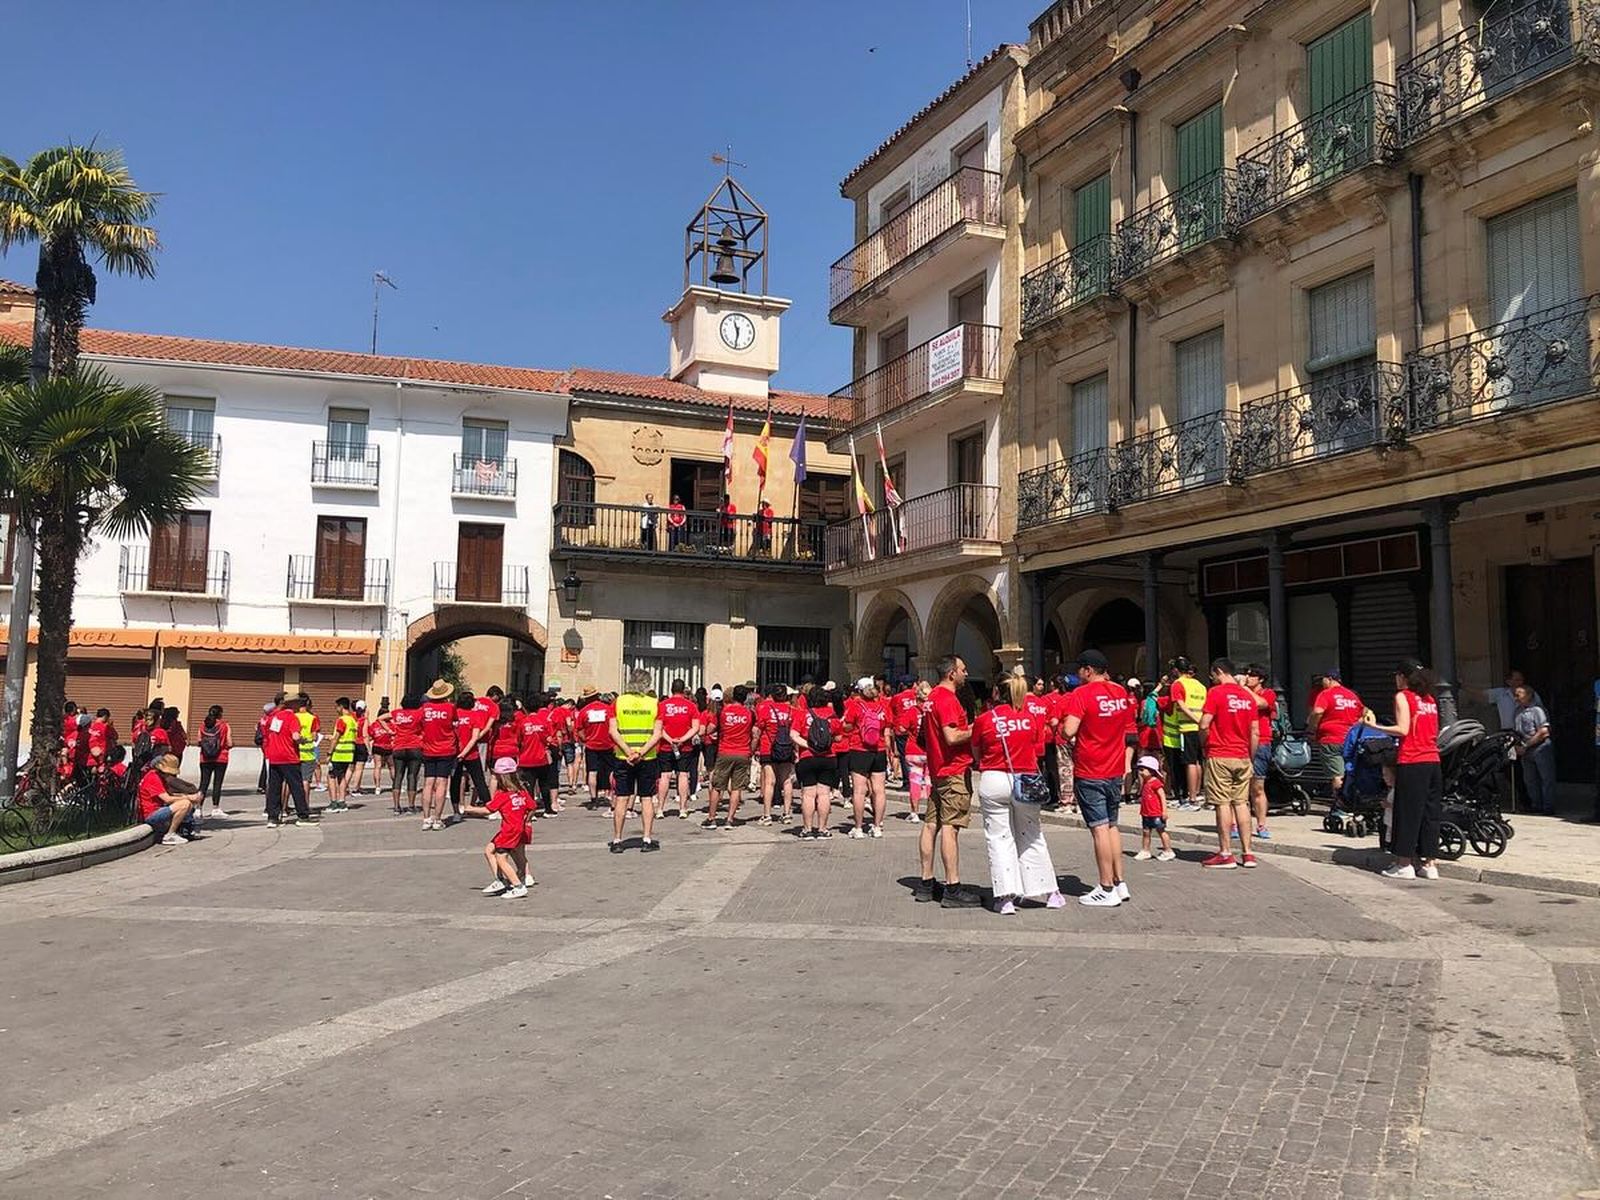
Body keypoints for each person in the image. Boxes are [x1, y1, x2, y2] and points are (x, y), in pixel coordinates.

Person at [972, 674, 1064, 915]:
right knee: (1032, 835)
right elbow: (1037, 747)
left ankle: (1005, 897)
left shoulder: (984, 719)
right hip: (1026, 778)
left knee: (999, 838)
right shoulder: (1029, 718)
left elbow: (977, 753)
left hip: (994, 779)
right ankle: (1050, 891)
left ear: (996, 692)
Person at [1060, 649, 1136, 907]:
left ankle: (1105, 887)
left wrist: (1061, 729)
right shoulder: (1120, 692)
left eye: (1079, 669)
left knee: (1099, 828)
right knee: (1112, 826)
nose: (1077, 674)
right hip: (1114, 768)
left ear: (1088, 670)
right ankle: (1119, 881)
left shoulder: (1081, 694)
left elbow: (1069, 730)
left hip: (1091, 768)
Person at [916, 655, 979, 908]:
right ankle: (953, 887)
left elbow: (925, 736)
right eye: (963, 669)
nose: (966, 673)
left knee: (931, 824)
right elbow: (952, 736)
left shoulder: (931, 698)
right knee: (950, 828)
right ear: (952, 673)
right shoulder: (948, 699)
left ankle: (926, 882)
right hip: (953, 770)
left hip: (938, 770)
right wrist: (977, 727)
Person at [1375, 661, 1443, 879]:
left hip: (1412, 759)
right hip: (1433, 760)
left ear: (1403, 677)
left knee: (1407, 813)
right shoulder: (1430, 699)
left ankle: (1404, 864)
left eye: (1397, 675)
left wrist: (1373, 726)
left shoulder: (1403, 696)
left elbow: (1402, 729)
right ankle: (1429, 864)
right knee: (1430, 814)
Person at [1198, 658, 1261, 870]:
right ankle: (1248, 853)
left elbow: (1204, 724)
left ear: (1218, 671)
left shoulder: (1216, 693)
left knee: (1222, 803)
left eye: (1212, 675)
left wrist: (1204, 744)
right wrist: (1250, 755)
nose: (1212, 679)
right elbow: (1255, 732)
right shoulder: (1247, 696)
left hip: (1220, 753)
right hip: (1242, 755)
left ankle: (1225, 853)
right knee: (1241, 803)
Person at [608, 669, 663, 852]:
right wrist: (641, 752)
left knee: (622, 798)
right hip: (647, 757)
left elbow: (613, 731)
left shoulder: (618, 702)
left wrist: (628, 751)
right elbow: (657, 734)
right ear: (647, 684)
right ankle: (646, 839)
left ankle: (617, 840)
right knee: (647, 798)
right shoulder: (654, 703)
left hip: (623, 757)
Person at [465, 757, 534, 898]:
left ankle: (518, 886)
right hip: (516, 829)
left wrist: (470, 809)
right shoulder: (522, 792)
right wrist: (526, 819)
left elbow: (488, 810)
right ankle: (500, 880)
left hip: (509, 831)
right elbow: (532, 806)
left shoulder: (502, 795)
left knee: (501, 858)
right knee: (489, 850)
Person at [841, 677, 891, 838]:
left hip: (859, 749)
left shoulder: (855, 706)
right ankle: (877, 827)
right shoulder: (883, 707)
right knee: (879, 790)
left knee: (859, 790)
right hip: (879, 750)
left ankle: (858, 828)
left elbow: (847, 726)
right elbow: (887, 727)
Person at [1307, 670, 1363, 802]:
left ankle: (1341, 804)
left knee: (1337, 775)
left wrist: (1312, 727)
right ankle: (1352, 802)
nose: (1322, 682)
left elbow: (1317, 712)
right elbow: (1362, 716)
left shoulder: (1326, 694)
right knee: (1350, 772)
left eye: (1323, 679)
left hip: (1331, 739)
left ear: (1329, 679)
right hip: (1351, 739)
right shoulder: (1351, 695)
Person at [704, 685, 755, 827]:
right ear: (745, 698)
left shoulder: (723, 712)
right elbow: (755, 733)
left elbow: (710, 729)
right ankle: (730, 819)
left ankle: (711, 818)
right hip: (743, 752)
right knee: (736, 788)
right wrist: (751, 750)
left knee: (717, 786)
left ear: (732, 697)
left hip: (725, 751)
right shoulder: (750, 713)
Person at [796, 684, 841, 838]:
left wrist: (809, 745)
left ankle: (807, 829)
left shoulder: (803, 714)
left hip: (807, 757)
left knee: (808, 794)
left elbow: (793, 735)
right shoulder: (832, 716)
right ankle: (823, 829)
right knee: (824, 794)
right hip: (828, 757)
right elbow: (838, 737)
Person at [263, 695, 313, 827]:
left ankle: (273, 818)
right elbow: (295, 736)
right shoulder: (292, 717)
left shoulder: (274, 716)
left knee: (274, 788)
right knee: (296, 787)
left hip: (274, 756)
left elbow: (268, 735)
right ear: (293, 704)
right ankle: (303, 816)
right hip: (289, 756)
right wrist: (303, 740)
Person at [1240, 664, 1277, 840]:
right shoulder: (1241, 693)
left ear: (1260, 679)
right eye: (1246, 674)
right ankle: (1237, 823)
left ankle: (1261, 824)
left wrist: (1244, 688)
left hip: (1261, 741)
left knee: (1258, 786)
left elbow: (1260, 703)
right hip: (1241, 741)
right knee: (1240, 787)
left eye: (1252, 675)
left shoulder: (1268, 693)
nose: (1247, 677)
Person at [1164, 657, 1207, 811]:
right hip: (1200, 727)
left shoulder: (1178, 684)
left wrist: (1195, 719)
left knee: (1189, 762)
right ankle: (1197, 793)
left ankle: (1191, 798)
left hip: (1187, 726)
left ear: (1176, 670)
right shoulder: (1200, 685)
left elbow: (1181, 705)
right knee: (1198, 761)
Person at [656, 679, 701, 820]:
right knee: (683, 775)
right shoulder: (691, 706)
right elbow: (696, 727)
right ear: (683, 691)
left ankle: (660, 809)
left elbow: (658, 728)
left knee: (665, 776)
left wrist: (670, 739)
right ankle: (682, 808)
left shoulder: (662, 706)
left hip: (666, 745)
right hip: (685, 747)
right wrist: (682, 739)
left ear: (671, 689)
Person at [418, 679, 459, 830]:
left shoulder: (424, 708)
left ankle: (426, 818)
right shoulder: (450, 707)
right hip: (446, 748)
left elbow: (419, 726)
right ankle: (437, 819)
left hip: (428, 748)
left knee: (428, 783)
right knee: (442, 783)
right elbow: (455, 724)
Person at [1512, 684, 1558, 815]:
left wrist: (1526, 745)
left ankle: (1548, 807)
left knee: (1546, 777)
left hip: (1540, 747)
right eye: (1515, 695)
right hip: (1525, 749)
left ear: (1528, 695)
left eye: (1519, 694)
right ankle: (1536, 805)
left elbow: (1544, 731)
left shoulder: (1537, 710)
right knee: (1530, 779)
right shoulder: (1517, 711)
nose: (1516, 697)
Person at [137, 753, 197, 846]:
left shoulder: (159, 777)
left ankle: (184, 829)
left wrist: (185, 796)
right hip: (152, 814)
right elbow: (167, 799)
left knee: (187, 803)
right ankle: (170, 835)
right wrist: (188, 797)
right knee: (185, 804)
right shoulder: (153, 777)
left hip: (159, 810)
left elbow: (169, 795)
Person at [451, 688, 492, 818]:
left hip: (454, 753)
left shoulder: (454, 715)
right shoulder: (475, 716)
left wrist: (459, 753)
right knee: (479, 781)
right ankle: (489, 809)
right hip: (471, 753)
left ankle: (456, 811)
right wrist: (464, 753)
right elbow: (475, 738)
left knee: (455, 782)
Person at [384, 694, 424, 815]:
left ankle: (396, 806)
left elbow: (380, 718)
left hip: (399, 746)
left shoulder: (397, 713)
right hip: (414, 746)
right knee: (412, 776)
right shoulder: (419, 713)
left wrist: (390, 731)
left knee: (398, 775)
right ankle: (411, 806)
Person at [576, 685, 615, 808]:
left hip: (591, 745)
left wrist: (586, 739)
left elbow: (579, 730)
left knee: (592, 772)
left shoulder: (584, 711)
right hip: (608, 744)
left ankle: (593, 799)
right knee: (611, 771)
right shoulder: (608, 709)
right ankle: (612, 797)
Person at [1132, 755, 1175, 862]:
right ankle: (1145, 850)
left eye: (1143, 770)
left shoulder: (1155, 783)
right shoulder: (1146, 782)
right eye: (1139, 770)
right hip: (1146, 812)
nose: (1140, 772)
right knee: (1146, 832)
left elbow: (1162, 796)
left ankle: (1168, 850)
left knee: (1161, 831)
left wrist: (1164, 810)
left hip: (1156, 813)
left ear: (1151, 770)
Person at [902, 680, 932, 823]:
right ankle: (931, 811)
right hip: (930, 751)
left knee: (915, 781)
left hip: (914, 750)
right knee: (929, 781)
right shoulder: (932, 710)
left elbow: (901, 728)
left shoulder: (912, 711)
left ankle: (914, 813)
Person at [196, 705, 231, 817]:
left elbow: (199, 741)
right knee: (217, 783)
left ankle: (198, 808)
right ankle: (215, 808)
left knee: (203, 783)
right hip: (221, 758)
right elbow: (229, 743)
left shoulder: (202, 725)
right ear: (220, 714)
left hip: (205, 758)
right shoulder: (225, 725)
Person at [326, 697, 358, 813]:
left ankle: (334, 803)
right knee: (342, 777)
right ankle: (342, 801)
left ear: (341, 707)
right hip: (349, 753)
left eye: (336, 707)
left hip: (339, 753)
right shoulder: (353, 720)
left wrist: (329, 752)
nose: (336, 709)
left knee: (331, 776)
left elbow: (337, 738)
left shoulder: (341, 720)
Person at [368, 698, 394, 795]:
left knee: (377, 766)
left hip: (377, 746)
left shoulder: (374, 725)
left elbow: (371, 736)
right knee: (392, 766)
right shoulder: (391, 725)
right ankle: (395, 785)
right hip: (389, 747)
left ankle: (377, 787)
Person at [348, 700, 371, 797]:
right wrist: (369, 750)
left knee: (350, 768)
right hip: (361, 744)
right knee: (359, 769)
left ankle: (344, 787)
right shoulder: (363, 720)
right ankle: (355, 789)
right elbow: (365, 735)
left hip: (352, 744)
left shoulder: (350, 717)